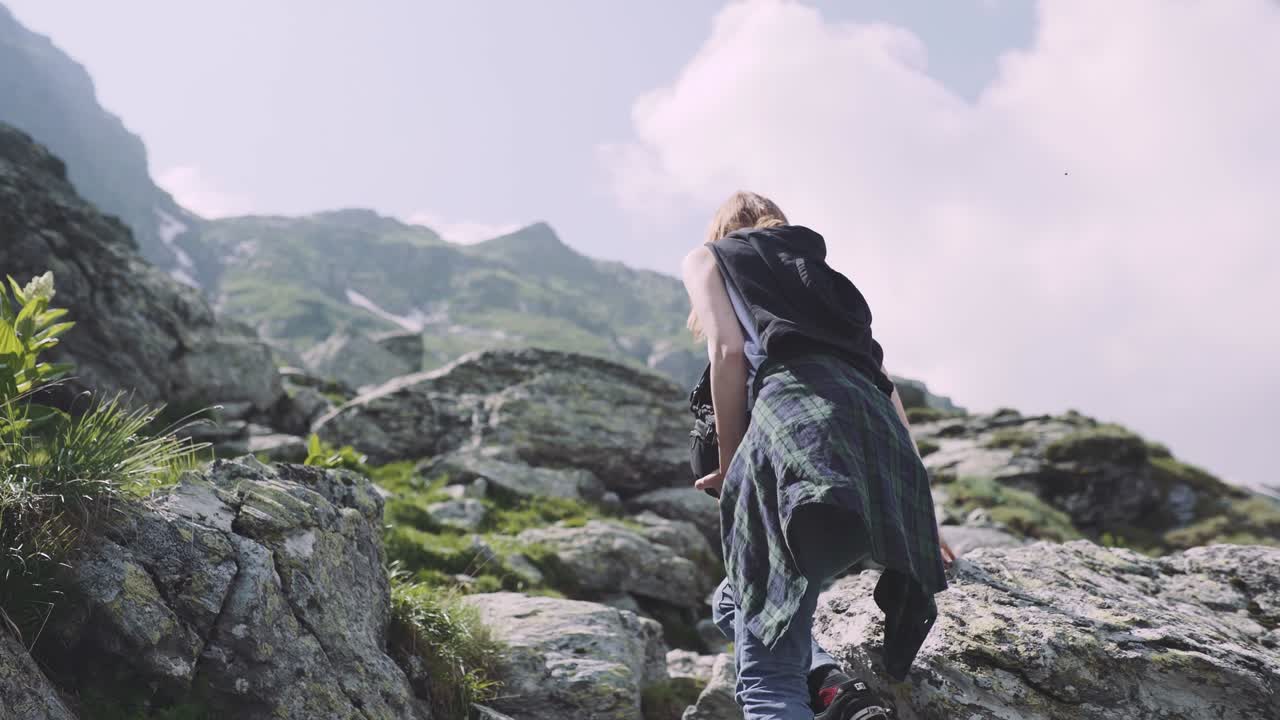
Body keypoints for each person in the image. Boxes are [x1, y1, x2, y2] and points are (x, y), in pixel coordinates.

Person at [681, 191, 954, 720]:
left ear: (720, 231)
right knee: (733, 599)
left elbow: (726, 351)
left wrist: (734, 464)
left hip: (800, 450)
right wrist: (922, 516)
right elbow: (887, 392)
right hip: (879, 469)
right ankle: (834, 688)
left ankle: (820, 686)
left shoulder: (709, 256)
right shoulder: (820, 281)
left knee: (766, 683)